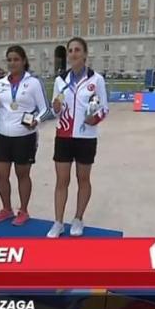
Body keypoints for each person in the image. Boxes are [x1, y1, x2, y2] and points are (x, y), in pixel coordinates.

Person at [48, 37, 109, 238]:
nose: (73, 53)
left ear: (85, 54)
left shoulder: (96, 80)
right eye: (70, 50)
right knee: (61, 180)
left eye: (77, 50)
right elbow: (55, 109)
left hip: (86, 136)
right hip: (64, 135)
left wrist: (95, 119)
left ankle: (78, 218)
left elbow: (104, 108)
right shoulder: (60, 80)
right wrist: (56, 108)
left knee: (83, 179)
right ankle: (58, 222)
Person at [0, 45, 49, 226]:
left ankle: (24, 211)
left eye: (16, 59)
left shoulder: (33, 83)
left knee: (22, 175)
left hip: (24, 135)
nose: (12, 63)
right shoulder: (0, 84)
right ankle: (6, 209)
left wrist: (36, 120)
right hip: (2, 135)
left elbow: (46, 109)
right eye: (9, 60)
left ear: (24, 61)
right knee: (0, 174)